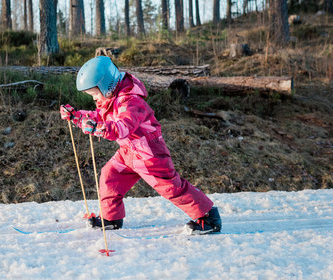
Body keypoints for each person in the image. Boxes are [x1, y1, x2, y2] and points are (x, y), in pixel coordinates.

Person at [60, 56, 221, 235]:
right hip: (129, 152)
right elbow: (99, 116)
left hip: (149, 153)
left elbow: (123, 126)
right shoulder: (111, 99)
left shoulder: (131, 102)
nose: (94, 99)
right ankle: (111, 218)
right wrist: (76, 116)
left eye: (94, 93)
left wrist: (99, 128)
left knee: (170, 187)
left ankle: (208, 217)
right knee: (110, 175)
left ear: (107, 85)